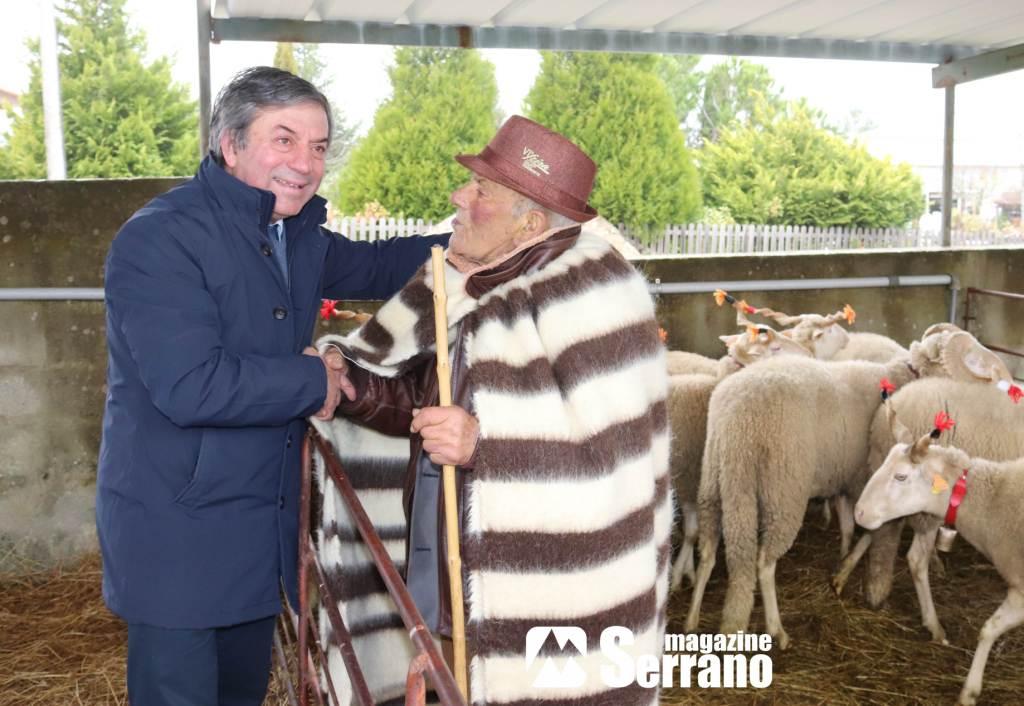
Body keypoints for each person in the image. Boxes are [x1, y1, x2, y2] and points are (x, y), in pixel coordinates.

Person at [95, 66, 446, 706]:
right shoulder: (161, 238)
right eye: (284, 139)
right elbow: (190, 385)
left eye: (318, 146)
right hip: (178, 528)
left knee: (242, 690)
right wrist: (315, 377)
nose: (305, 164)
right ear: (230, 145)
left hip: (259, 521)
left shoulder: (292, 236)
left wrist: (482, 235)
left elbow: (384, 262)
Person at [318, 116, 671, 704]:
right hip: (453, 568)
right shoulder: (460, 280)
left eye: (482, 190)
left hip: (550, 594)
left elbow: (615, 463)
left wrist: (484, 444)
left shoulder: (598, 295)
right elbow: (422, 401)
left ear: (530, 224)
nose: (459, 197)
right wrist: (351, 380)